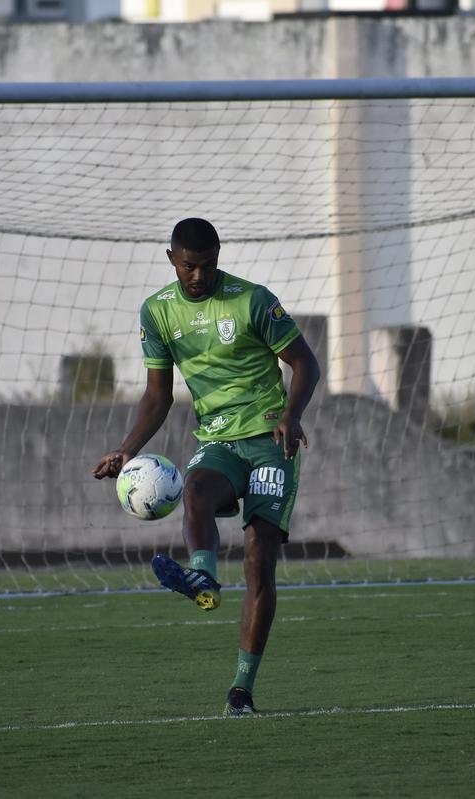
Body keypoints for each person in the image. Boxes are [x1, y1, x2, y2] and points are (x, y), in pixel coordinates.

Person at [93, 217, 321, 717]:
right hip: (218, 440)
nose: (198, 275)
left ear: (219, 257)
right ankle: (203, 579)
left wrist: (292, 414)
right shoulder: (157, 312)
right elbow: (157, 395)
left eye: (208, 265)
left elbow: (306, 363)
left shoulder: (252, 300)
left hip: (269, 439)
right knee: (194, 486)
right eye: (189, 266)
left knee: (259, 559)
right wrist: (127, 449)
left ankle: (241, 688)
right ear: (171, 259)